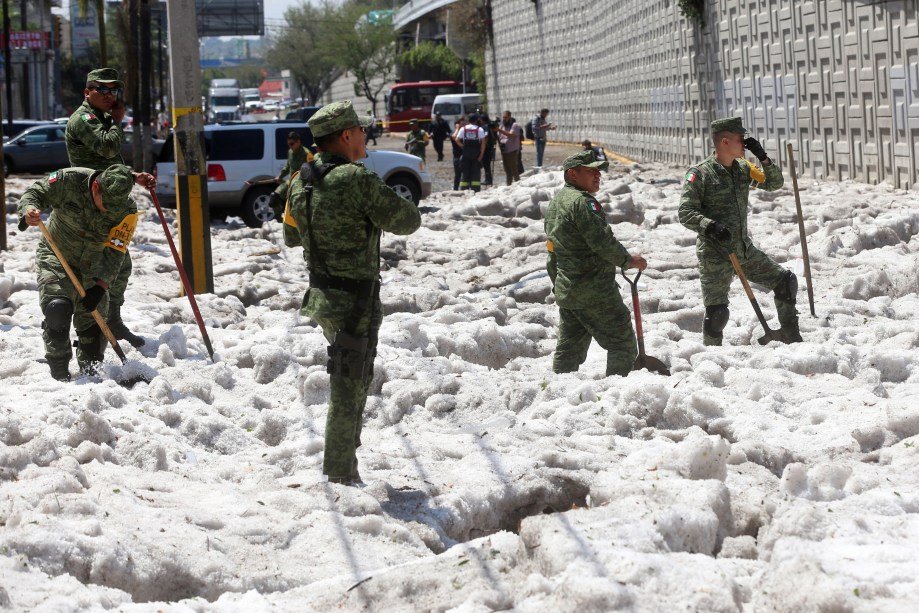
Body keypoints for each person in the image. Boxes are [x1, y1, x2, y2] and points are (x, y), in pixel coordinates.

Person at [287, 100, 421, 485]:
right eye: (361, 130)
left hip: (322, 295)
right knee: (348, 386)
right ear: (346, 135)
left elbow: (291, 235)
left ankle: (348, 457)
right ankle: (340, 473)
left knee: (355, 374)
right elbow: (407, 220)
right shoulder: (354, 179)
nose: (365, 135)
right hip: (355, 301)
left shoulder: (301, 180)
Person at [17, 165, 156, 381]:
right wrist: (29, 211)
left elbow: (116, 250)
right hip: (57, 255)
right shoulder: (69, 181)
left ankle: (91, 372)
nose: (109, 211)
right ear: (96, 187)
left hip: (95, 264)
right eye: (106, 204)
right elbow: (35, 192)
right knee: (58, 308)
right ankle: (59, 369)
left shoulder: (127, 210)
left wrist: (101, 287)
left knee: (94, 322)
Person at [678, 117, 801, 346]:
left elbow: (774, 183)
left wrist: (763, 157)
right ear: (725, 141)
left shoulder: (743, 168)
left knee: (785, 282)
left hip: (743, 250)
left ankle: (791, 338)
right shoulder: (701, 174)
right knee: (717, 315)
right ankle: (711, 358)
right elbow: (685, 212)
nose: (744, 143)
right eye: (740, 138)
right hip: (715, 255)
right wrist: (710, 226)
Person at [544, 150, 647, 377]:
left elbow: (552, 252)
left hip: (569, 289)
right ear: (573, 174)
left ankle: (558, 388)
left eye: (598, 171)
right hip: (595, 291)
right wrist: (628, 260)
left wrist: (558, 285)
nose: (598, 175)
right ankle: (617, 389)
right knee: (622, 343)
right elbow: (601, 241)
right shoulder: (583, 203)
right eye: (590, 171)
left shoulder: (556, 203)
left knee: (569, 349)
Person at [64, 67, 144, 348]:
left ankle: (112, 320)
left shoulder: (102, 118)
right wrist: (118, 120)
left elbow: (107, 166)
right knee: (97, 267)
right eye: (103, 89)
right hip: (92, 206)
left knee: (120, 264)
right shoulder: (85, 119)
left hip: (108, 204)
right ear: (87, 92)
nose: (110, 95)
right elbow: (108, 148)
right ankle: (89, 329)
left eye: (114, 90)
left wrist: (133, 176)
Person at [258, 131, 312, 220]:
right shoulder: (290, 152)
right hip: (290, 182)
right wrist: (280, 176)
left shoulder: (307, 154)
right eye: (288, 144)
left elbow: (311, 173)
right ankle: (280, 220)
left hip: (301, 184)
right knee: (274, 197)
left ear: (298, 142)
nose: (290, 146)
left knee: (297, 206)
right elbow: (287, 167)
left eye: (292, 144)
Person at [453, 113, 486, 192]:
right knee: (476, 172)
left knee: (465, 172)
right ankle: (475, 190)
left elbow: (456, 139)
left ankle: (464, 189)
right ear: (476, 120)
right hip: (476, 155)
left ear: (468, 120)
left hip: (466, 154)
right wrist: (481, 155)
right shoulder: (480, 129)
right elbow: (483, 144)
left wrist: (463, 146)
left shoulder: (463, 129)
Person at [496, 110, 523, 185]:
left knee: (514, 169)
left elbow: (511, 135)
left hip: (512, 151)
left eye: (506, 117)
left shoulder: (515, 125)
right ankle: (509, 185)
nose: (504, 119)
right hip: (504, 150)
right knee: (507, 170)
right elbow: (498, 135)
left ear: (510, 117)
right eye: (503, 117)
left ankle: (518, 184)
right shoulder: (502, 125)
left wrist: (499, 130)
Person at [479, 115, 498, 186]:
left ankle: (488, 180)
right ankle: (488, 179)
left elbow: (486, 137)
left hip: (487, 149)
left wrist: (483, 146)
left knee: (486, 165)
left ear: (482, 120)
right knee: (486, 164)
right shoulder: (489, 126)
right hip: (489, 148)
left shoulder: (485, 127)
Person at [450, 118, 464, 190]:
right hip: (457, 156)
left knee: (465, 173)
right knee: (457, 174)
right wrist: (457, 128)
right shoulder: (454, 133)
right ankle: (455, 188)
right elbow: (454, 137)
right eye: (461, 124)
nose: (463, 125)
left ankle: (464, 188)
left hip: (464, 156)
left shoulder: (464, 133)